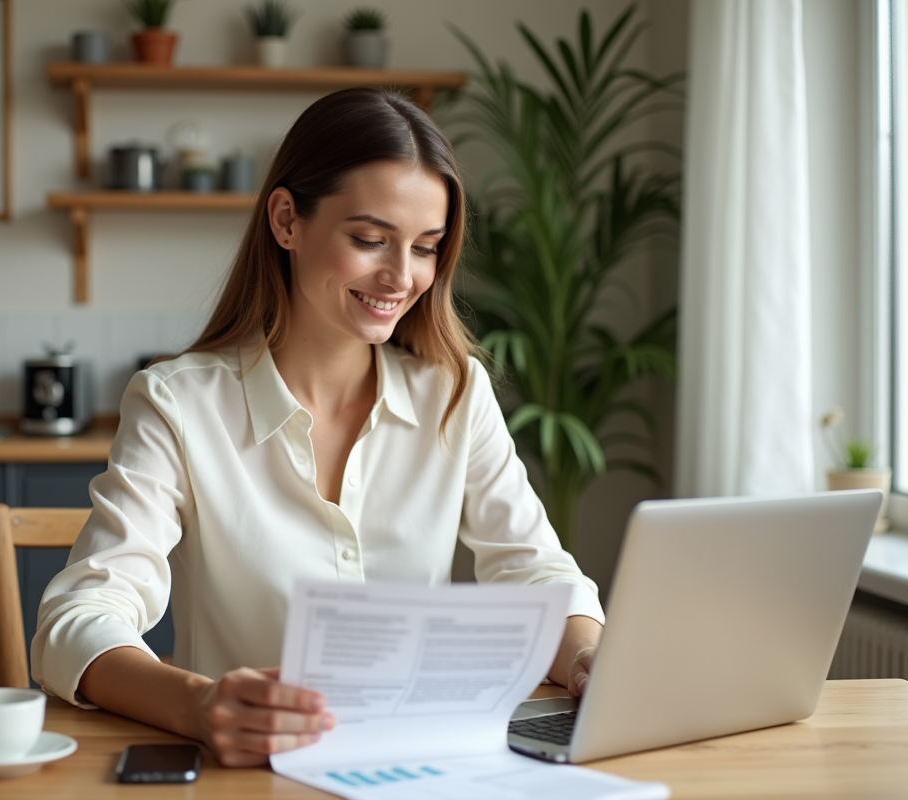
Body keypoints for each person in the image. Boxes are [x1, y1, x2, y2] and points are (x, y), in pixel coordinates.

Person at [32, 87, 605, 768]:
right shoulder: (176, 404)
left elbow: (537, 573)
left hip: (414, 771)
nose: (401, 276)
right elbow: (78, 618)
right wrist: (198, 705)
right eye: (369, 240)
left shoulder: (453, 393)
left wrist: (588, 660)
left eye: (426, 247)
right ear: (285, 220)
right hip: (246, 780)